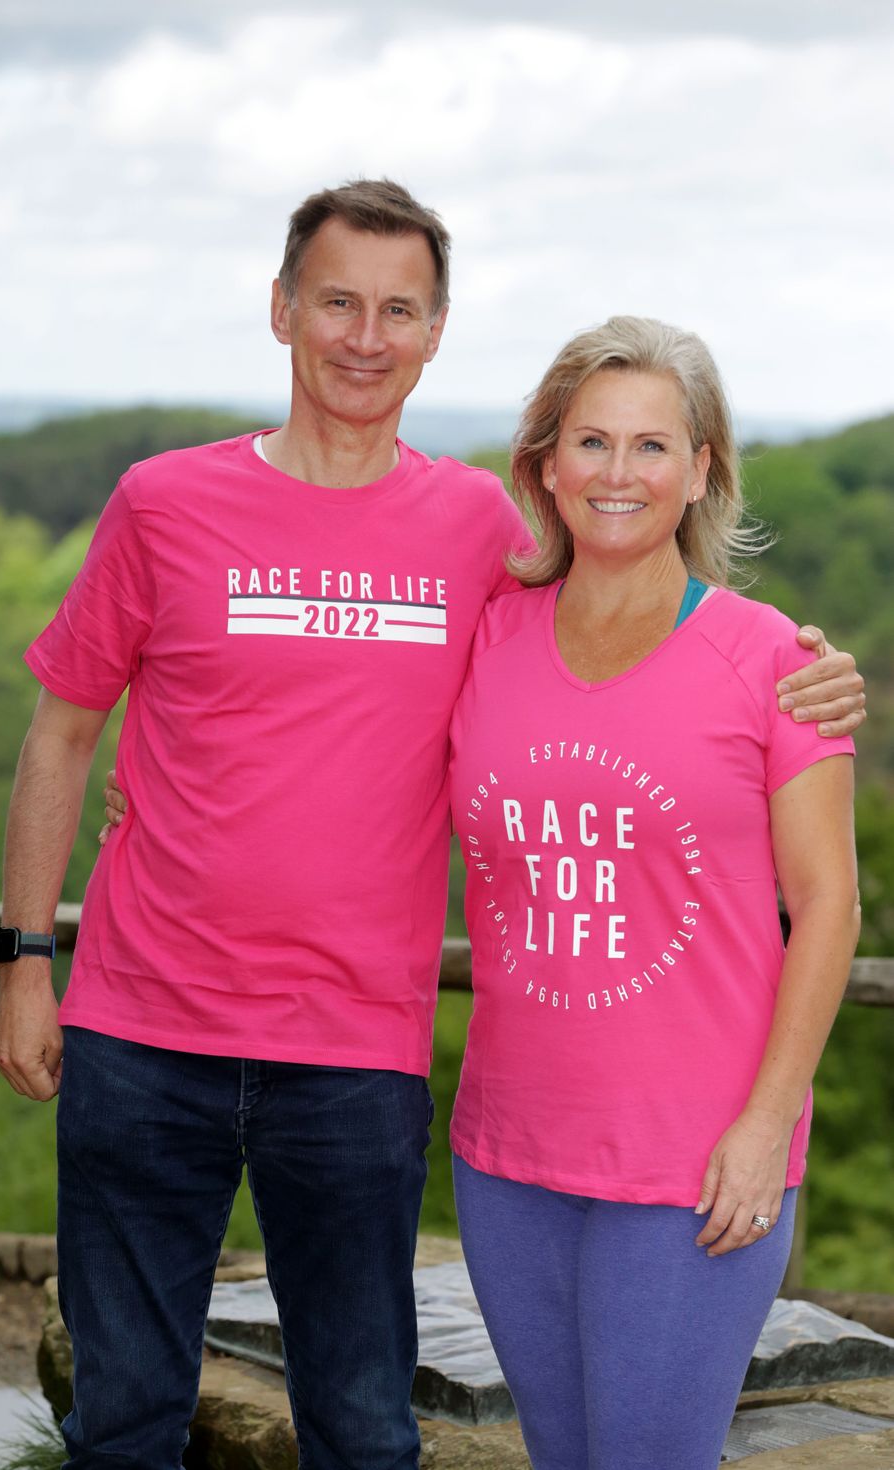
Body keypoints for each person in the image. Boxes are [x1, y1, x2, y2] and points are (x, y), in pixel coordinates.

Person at [0, 180, 863, 1470]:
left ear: (435, 331)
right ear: (282, 309)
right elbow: (70, 728)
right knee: (120, 1425)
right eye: (335, 300)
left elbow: (667, 664)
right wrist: (23, 959)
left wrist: (813, 670)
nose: (363, 333)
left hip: (357, 1058)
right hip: (144, 1034)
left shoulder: (476, 539)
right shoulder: (178, 506)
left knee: (361, 1429)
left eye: (398, 308)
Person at [447, 316, 861, 1469]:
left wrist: (767, 1121)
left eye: (651, 446)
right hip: (505, 1155)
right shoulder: (486, 639)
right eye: (590, 442)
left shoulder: (775, 662)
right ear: (542, 465)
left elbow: (827, 903)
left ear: (700, 472)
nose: (617, 475)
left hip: (692, 1163)